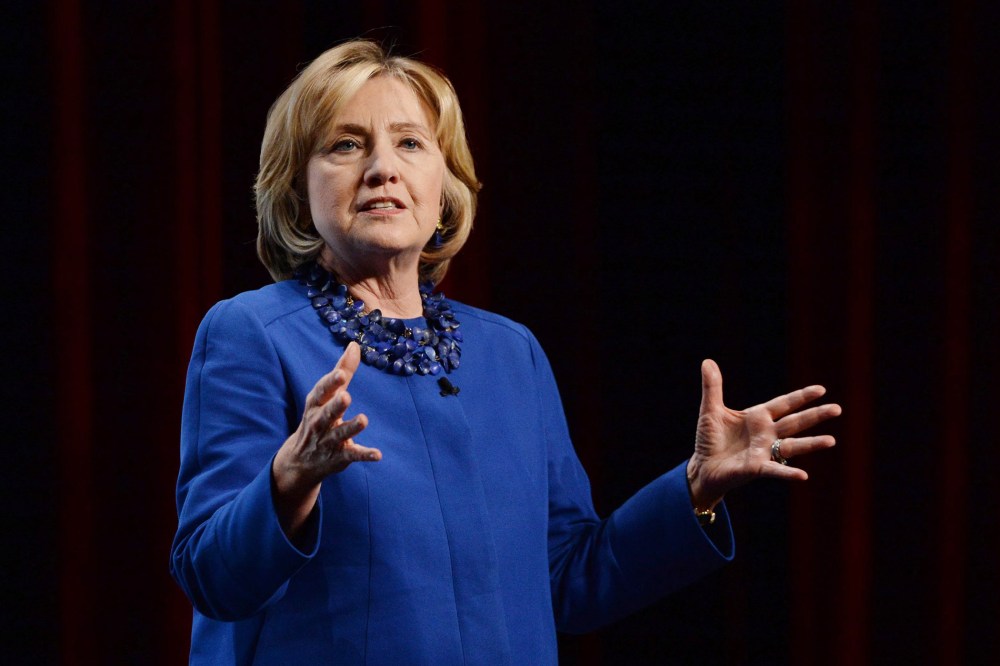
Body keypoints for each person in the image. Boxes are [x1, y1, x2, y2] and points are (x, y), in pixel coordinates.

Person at [170, 39, 841, 664]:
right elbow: (211, 576)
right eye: (346, 145)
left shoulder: (509, 354)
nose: (382, 168)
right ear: (297, 187)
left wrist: (694, 490)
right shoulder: (253, 334)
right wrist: (289, 479)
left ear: (445, 187)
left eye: (410, 143)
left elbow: (570, 580)